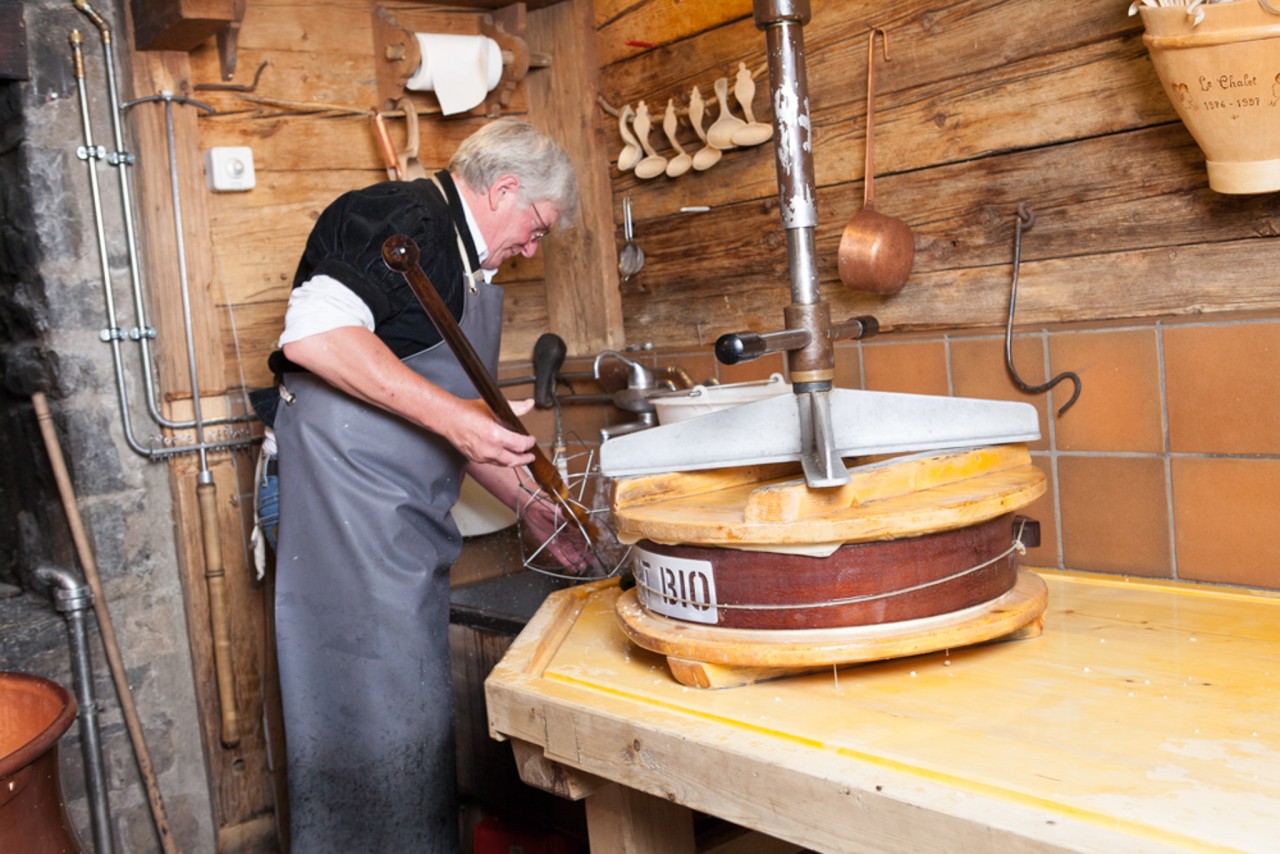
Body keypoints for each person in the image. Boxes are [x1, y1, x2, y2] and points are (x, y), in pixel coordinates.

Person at [266, 118, 580, 852]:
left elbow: (451, 413)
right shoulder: (398, 221)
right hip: (345, 505)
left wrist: (533, 506)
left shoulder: (467, 270)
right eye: (536, 229)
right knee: (363, 708)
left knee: (405, 709)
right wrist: (462, 423)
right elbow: (313, 336)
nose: (533, 249)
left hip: (397, 516)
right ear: (505, 189)